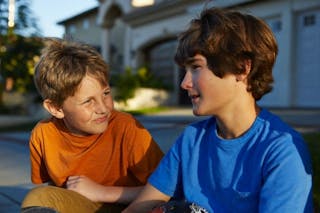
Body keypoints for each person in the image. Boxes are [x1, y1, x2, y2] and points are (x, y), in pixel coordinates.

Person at [123, 7, 313, 213]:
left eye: (196, 67)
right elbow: (141, 206)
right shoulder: (191, 139)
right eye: (185, 71)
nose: (184, 83)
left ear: (242, 67)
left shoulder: (281, 151)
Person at [21, 38, 164, 213]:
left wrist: (102, 193)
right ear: (56, 108)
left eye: (106, 93)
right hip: (84, 207)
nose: (103, 108)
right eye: (88, 101)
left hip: (134, 207)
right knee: (38, 197)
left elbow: (167, 191)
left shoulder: (127, 128)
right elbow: (53, 190)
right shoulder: (42, 135)